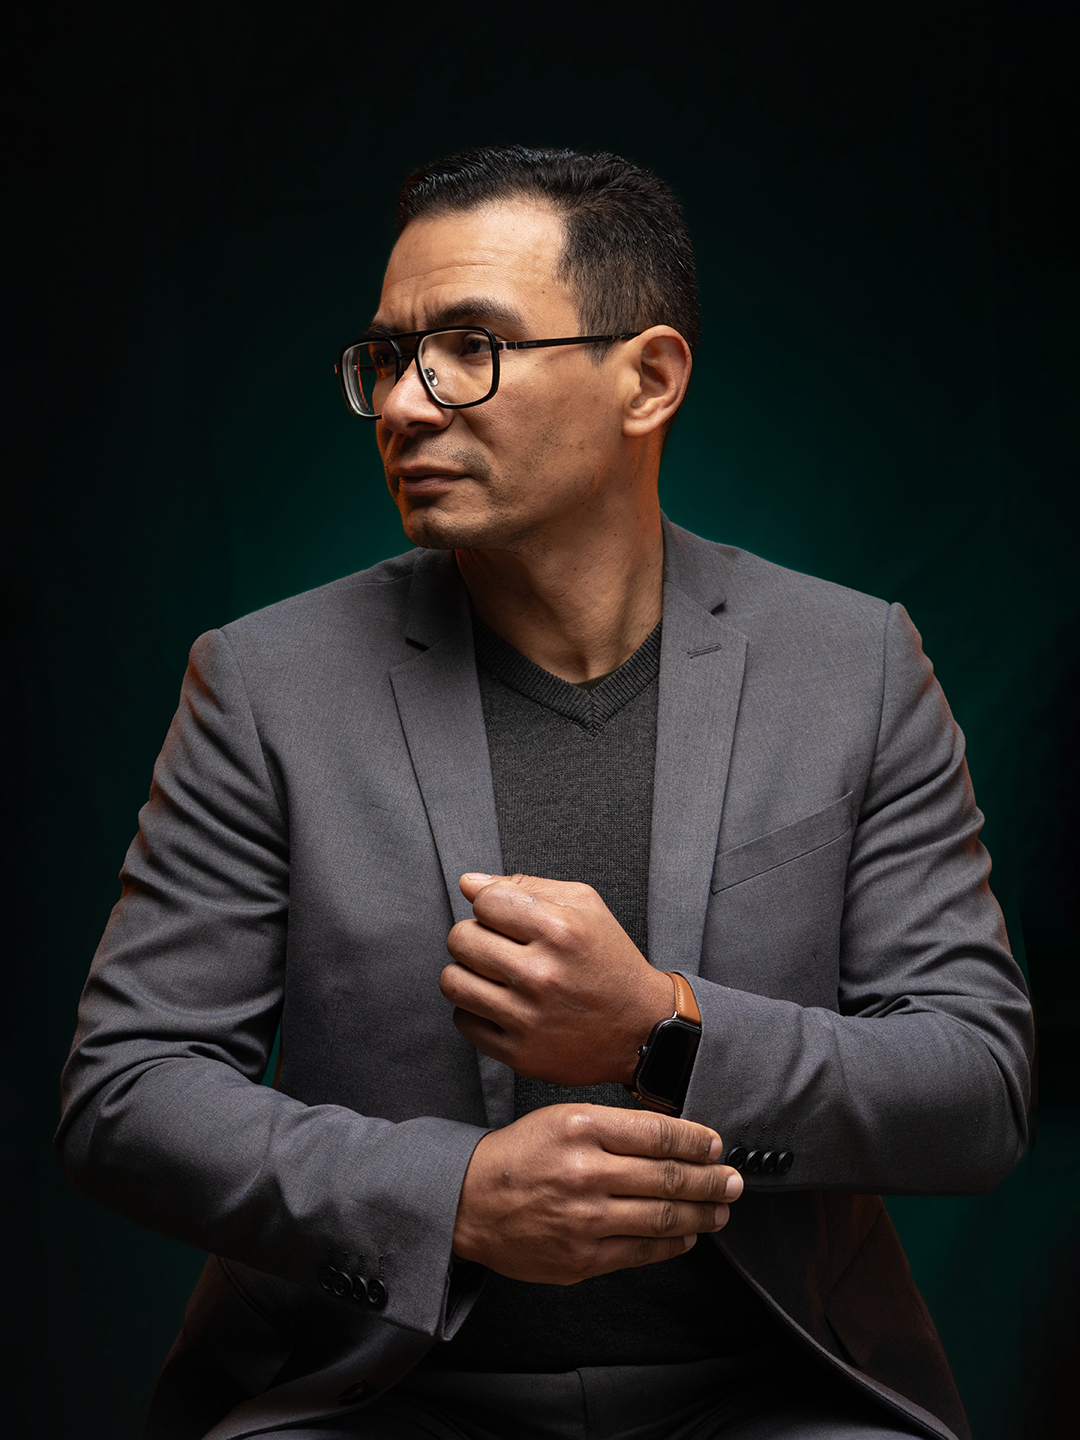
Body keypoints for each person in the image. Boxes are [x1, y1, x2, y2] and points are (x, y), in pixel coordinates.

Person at [57, 146, 1033, 1440]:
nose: (403, 405)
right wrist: (453, 1197)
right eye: (387, 358)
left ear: (649, 379)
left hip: (774, 1395)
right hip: (378, 1398)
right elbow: (129, 1089)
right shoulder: (263, 684)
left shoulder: (854, 665)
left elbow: (974, 1090)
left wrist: (663, 1034)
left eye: (468, 348)